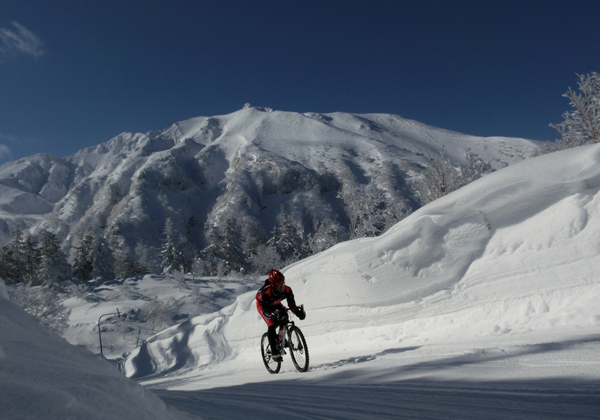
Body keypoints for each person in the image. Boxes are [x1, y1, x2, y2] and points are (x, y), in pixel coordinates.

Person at [256, 269, 306, 361]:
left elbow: (292, 305)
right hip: (263, 305)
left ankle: (281, 338)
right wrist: (272, 316)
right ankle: (274, 351)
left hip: (275, 303)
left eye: (283, 284)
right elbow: (266, 310)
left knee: (285, 315)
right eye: (279, 286)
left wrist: (298, 313)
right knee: (272, 324)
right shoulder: (267, 292)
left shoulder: (287, 290)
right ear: (273, 286)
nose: (282, 287)